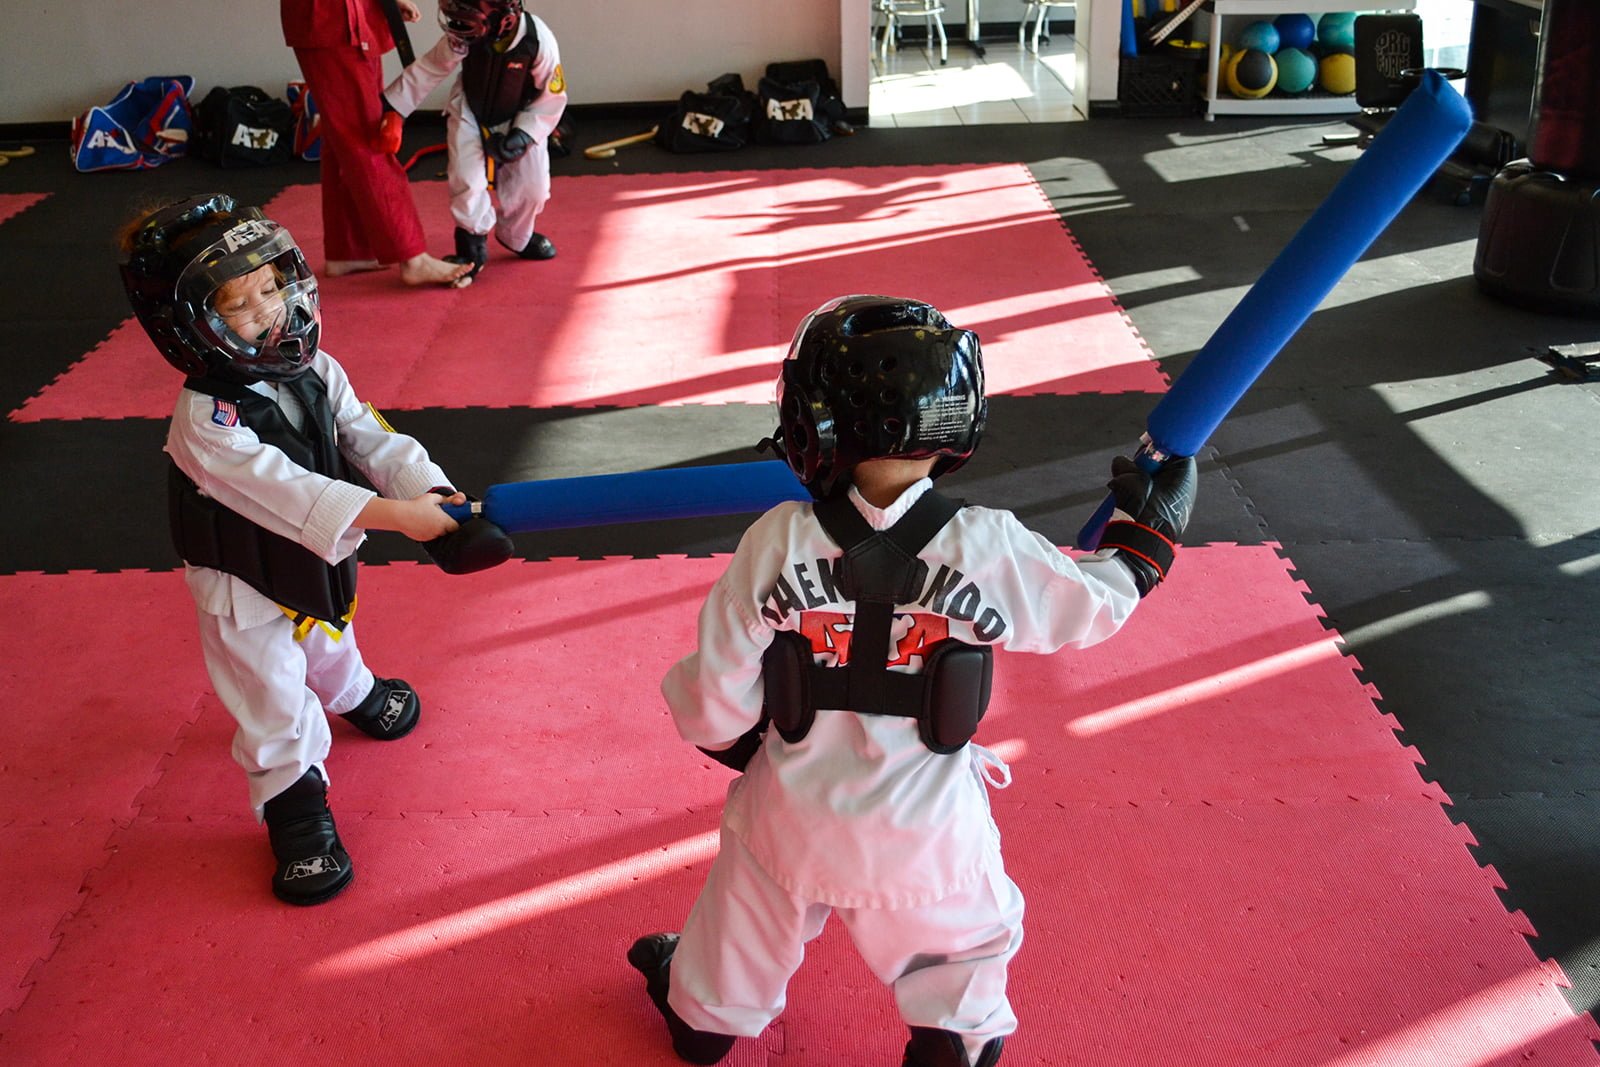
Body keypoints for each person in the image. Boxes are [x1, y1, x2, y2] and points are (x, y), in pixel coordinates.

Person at [627, 295, 1198, 1067]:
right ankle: (954, 1039)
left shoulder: (773, 544)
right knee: (962, 961)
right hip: (926, 830)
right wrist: (1147, 537)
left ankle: (702, 1012)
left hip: (788, 816)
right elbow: (1093, 606)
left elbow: (712, 707)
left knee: (738, 927)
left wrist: (738, 743)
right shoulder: (987, 545)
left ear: (811, 422)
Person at [117, 193, 512, 906]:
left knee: (331, 629)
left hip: (312, 556)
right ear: (191, 328)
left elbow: (372, 438)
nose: (268, 310)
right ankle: (295, 809)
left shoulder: (315, 368)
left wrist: (433, 493)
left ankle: (354, 693)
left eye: (271, 287)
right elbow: (290, 492)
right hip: (241, 583)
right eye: (240, 305)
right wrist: (398, 518)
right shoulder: (206, 421)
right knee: (271, 693)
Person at [280, 0, 469, 286]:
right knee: (366, 137)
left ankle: (348, 251)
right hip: (335, 17)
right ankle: (412, 258)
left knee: (344, 136)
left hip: (345, 16)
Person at [379, 0, 568, 284]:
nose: (459, 21)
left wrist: (523, 135)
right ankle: (472, 247)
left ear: (504, 16)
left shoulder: (538, 39)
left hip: (522, 114)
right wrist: (393, 110)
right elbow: (430, 68)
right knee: (466, 180)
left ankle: (517, 235)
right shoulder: (464, 35)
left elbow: (552, 95)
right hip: (470, 109)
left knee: (534, 188)